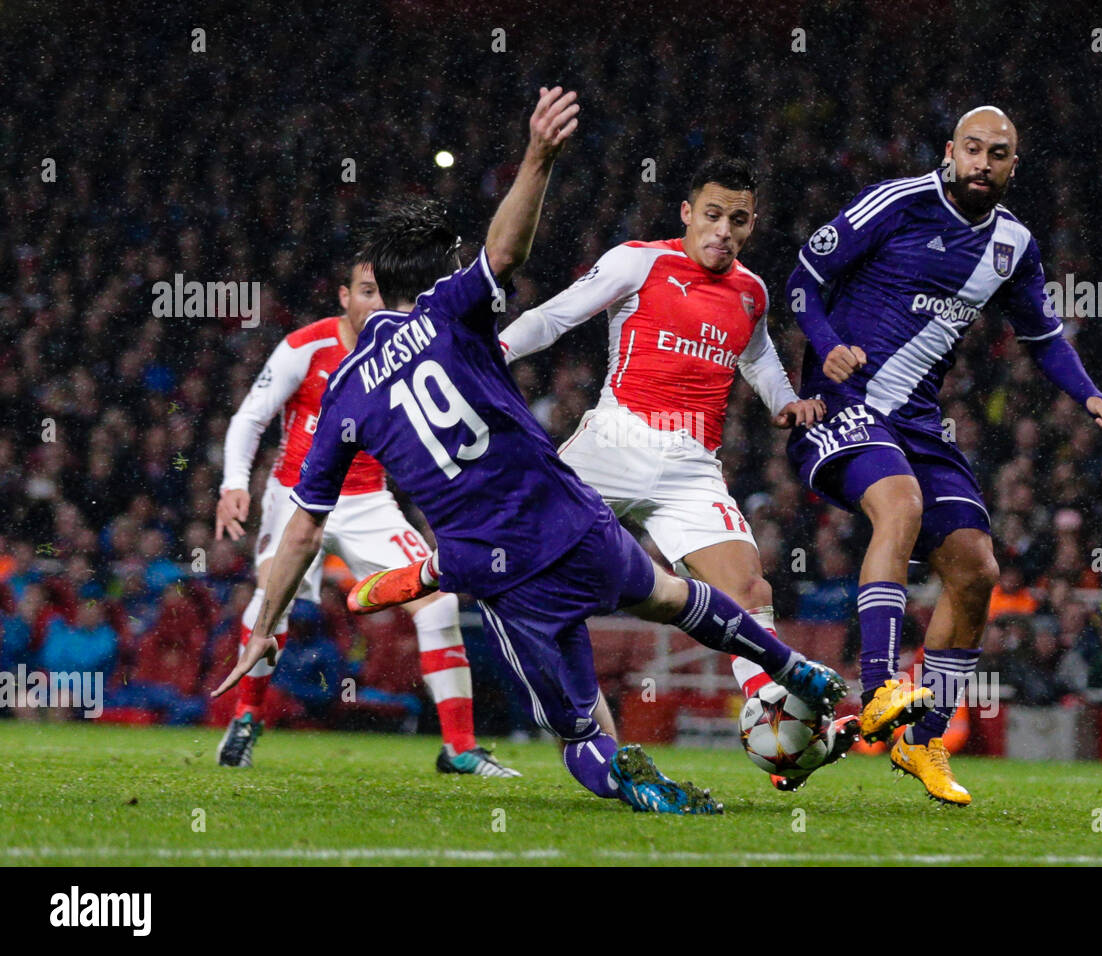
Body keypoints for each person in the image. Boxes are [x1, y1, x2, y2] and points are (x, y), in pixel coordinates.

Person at [213, 87, 847, 815]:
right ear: (429, 283)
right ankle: (792, 666)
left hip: (493, 558)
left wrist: (263, 627)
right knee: (674, 596)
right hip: (568, 508)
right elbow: (505, 255)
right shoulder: (456, 314)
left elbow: (300, 527)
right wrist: (539, 156)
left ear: (371, 293)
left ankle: (613, 761)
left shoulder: (344, 398)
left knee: (571, 721)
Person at [786, 106, 1102, 805]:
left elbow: (1041, 335)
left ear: (1011, 166)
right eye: (971, 148)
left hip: (918, 425)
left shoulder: (1012, 245)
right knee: (901, 505)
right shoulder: (896, 204)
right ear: (950, 151)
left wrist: (1090, 394)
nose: (981, 162)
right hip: (842, 407)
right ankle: (881, 686)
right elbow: (802, 280)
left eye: (996, 154)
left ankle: (923, 738)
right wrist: (827, 350)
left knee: (977, 571)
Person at [497, 157, 856, 792]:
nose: (722, 231)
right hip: (613, 440)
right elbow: (556, 315)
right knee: (523, 566)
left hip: (691, 466)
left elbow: (761, 355)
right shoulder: (639, 261)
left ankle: (774, 720)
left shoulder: (752, 292)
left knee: (749, 589)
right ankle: (572, 729)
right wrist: (492, 352)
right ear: (687, 214)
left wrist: (785, 403)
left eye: (737, 220)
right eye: (711, 215)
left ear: (752, 224)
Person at [214, 258, 514, 776]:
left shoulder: (404, 348)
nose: (376, 304)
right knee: (272, 605)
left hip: (367, 500)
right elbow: (250, 416)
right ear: (343, 296)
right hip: (295, 498)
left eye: (384, 294)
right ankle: (246, 718)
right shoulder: (304, 346)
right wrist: (233, 483)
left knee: (440, 604)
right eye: (366, 292)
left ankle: (459, 748)